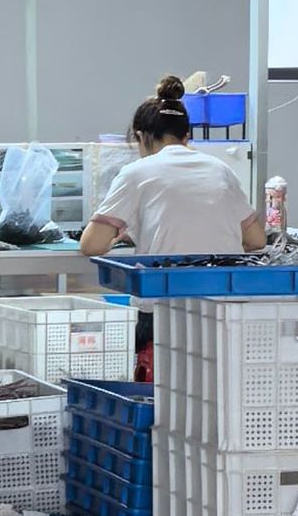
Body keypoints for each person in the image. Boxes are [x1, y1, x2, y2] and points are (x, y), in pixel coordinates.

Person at [80, 75, 265, 379]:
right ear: (187, 136)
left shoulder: (136, 172)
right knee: (215, 389)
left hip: (163, 312)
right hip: (222, 308)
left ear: (141, 137)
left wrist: (121, 234)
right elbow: (256, 240)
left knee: (163, 393)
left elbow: (91, 245)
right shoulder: (221, 170)